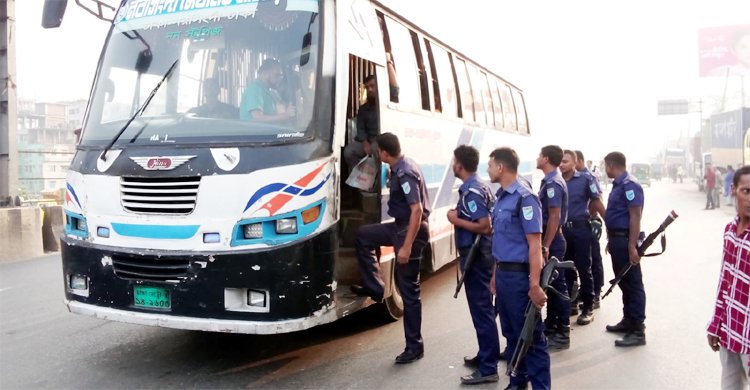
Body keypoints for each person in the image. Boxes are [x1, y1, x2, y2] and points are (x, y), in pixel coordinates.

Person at [351, 132, 431, 364]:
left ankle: (414, 346)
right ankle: (375, 287)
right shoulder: (401, 165)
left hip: (410, 232)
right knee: (363, 236)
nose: (377, 154)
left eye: (378, 151)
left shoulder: (405, 172)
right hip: (399, 227)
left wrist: (406, 247)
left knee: (409, 292)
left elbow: (416, 210)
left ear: (385, 153)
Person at [488, 147, 550, 390]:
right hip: (504, 275)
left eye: (491, 165)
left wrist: (534, 285)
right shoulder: (501, 197)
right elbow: (500, 242)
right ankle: (517, 381)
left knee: (531, 337)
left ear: (501, 167)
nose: (488, 170)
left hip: (520, 277)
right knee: (512, 334)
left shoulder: (525, 198)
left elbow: (535, 246)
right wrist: (495, 274)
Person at [446, 145, 500, 385]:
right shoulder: (481, 185)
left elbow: (484, 225)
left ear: (460, 165)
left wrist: (455, 219)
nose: (452, 165)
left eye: (454, 161)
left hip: (477, 255)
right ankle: (485, 355)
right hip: (479, 253)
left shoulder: (472, 191)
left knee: (482, 310)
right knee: (483, 309)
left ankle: (488, 368)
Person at [707, 165, 750, 389]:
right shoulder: (730, 231)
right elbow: (725, 281)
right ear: (733, 190)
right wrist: (716, 323)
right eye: (746, 191)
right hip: (731, 331)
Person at [603, 151, 647, 347]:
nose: (605, 170)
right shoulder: (619, 184)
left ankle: (637, 330)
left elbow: (635, 216)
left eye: (606, 166)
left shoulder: (629, 185)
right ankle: (628, 320)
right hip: (617, 240)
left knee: (633, 284)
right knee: (623, 282)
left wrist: (631, 246)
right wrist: (611, 239)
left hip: (625, 240)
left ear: (611, 165)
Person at [560, 150, 606, 326]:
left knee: (584, 268)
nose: (562, 164)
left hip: (581, 229)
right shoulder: (556, 182)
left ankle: (588, 307)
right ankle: (571, 303)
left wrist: (606, 223)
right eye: (561, 162)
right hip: (563, 231)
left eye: (565, 161)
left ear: (575, 162)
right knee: (566, 269)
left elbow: (597, 201)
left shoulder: (586, 179)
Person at [536, 145, 570, 351]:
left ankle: (563, 331)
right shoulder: (551, 181)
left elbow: (555, 216)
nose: (537, 158)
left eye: (540, 155)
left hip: (553, 240)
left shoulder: (552, 183)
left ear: (546, 158)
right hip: (553, 238)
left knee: (558, 286)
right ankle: (552, 324)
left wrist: (545, 245)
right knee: (552, 284)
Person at [576, 151, 605, 308]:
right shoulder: (573, 178)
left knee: (593, 259)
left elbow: (596, 200)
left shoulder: (589, 177)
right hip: (578, 225)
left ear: (579, 161)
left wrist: (589, 215)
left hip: (589, 222)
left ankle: (596, 293)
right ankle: (583, 293)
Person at [344, 75, 379, 169]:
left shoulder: (384, 106)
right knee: (349, 151)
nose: (370, 89)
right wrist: (364, 142)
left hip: (381, 142)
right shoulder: (363, 109)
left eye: (372, 86)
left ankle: (377, 182)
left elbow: (395, 90)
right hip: (368, 141)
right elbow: (360, 128)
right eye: (367, 87)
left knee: (376, 149)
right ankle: (359, 178)